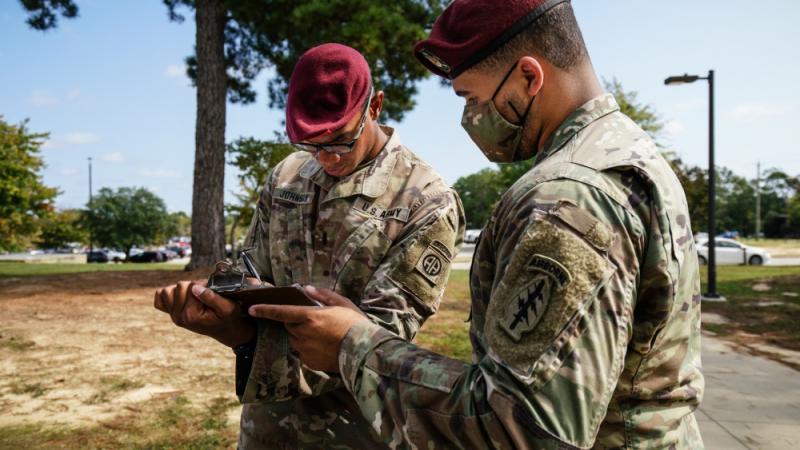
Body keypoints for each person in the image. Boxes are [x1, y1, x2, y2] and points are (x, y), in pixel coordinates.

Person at [248, 1, 705, 449]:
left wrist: (352, 343)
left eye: (471, 96)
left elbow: (521, 427)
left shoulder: (567, 196)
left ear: (529, 76)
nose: (469, 116)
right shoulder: (622, 153)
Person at [153, 43, 465, 448]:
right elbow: (252, 271)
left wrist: (245, 336)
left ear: (375, 107)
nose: (326, 159)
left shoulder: (425, 199)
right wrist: (222, 302)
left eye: (340, 142)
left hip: (356, 430)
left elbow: (381, 341)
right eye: (311, 144)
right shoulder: (286, 176)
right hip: (267, 428)